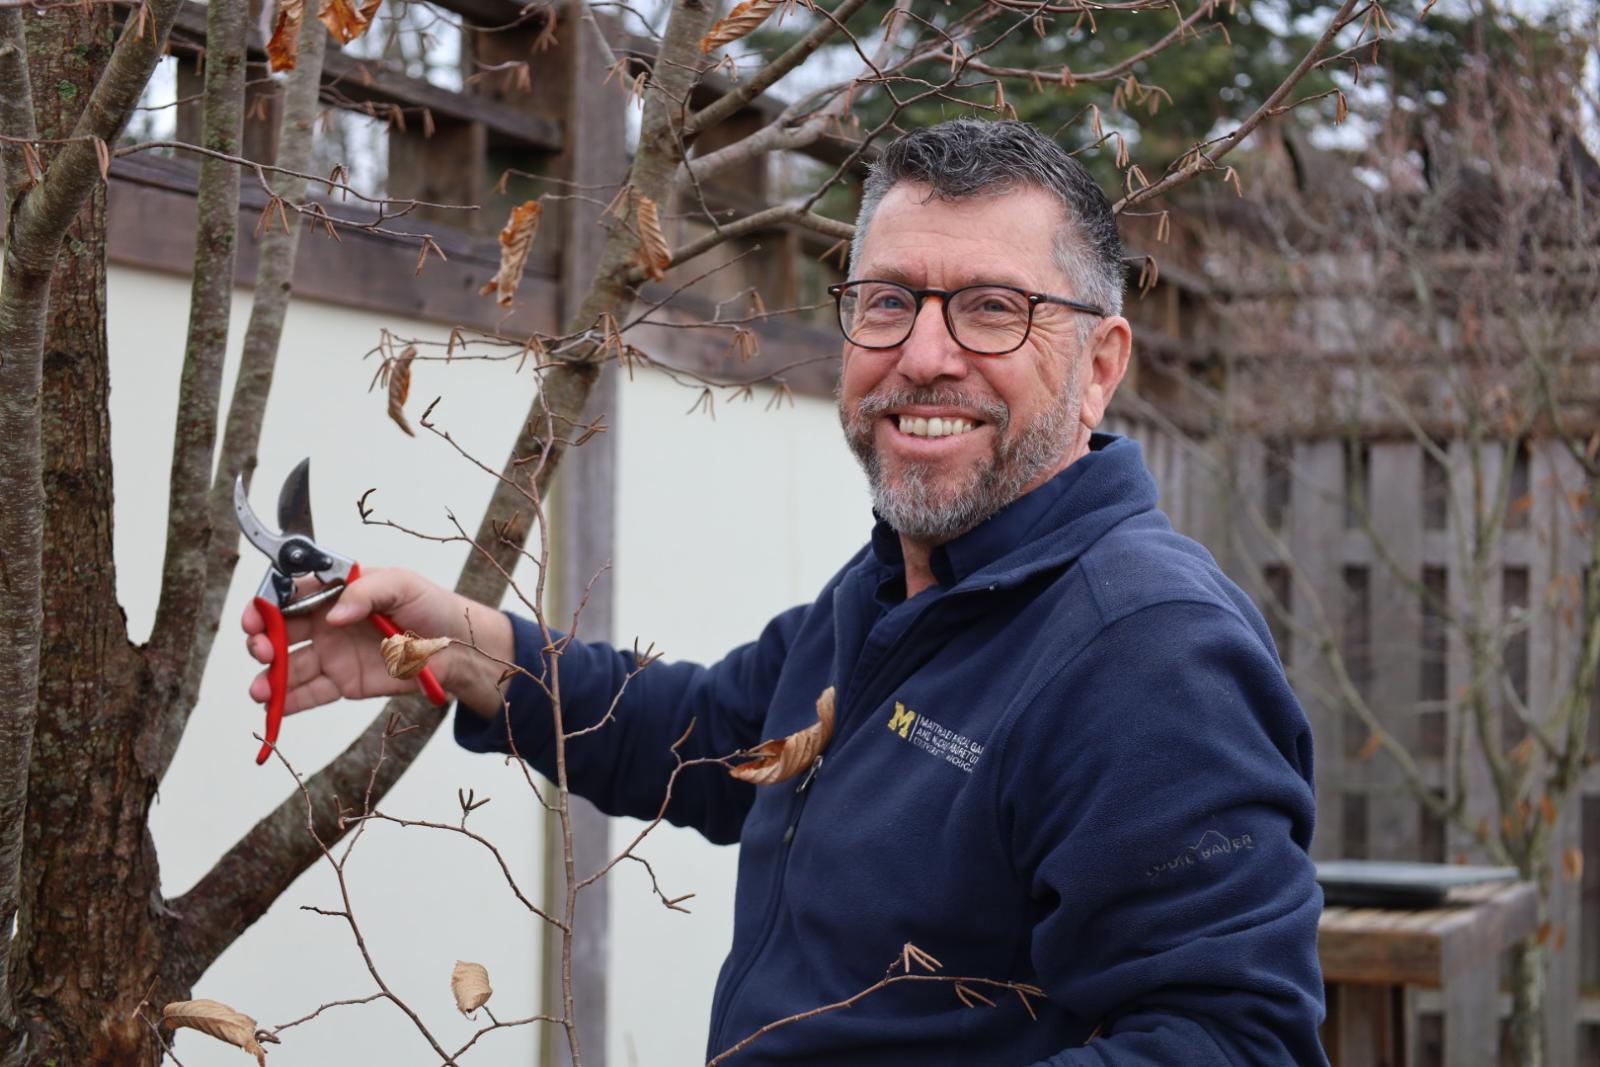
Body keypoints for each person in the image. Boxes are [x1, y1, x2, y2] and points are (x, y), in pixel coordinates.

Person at [244, 119, 1328, 1065]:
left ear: (1099, 363)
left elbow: (1235, 1041)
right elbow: (714, 737)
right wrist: (459, 645)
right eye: (888, 301)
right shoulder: (904, 585)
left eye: (992, 308)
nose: (924, 354)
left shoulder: (1146, 656)